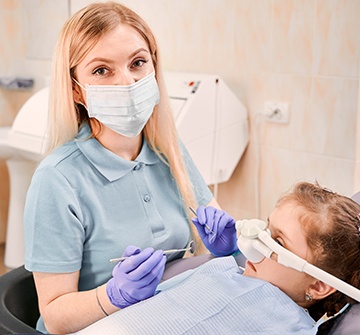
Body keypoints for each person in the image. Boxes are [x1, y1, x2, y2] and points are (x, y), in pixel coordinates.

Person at [23, 2, 238, 334]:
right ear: (77, 89)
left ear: (153, 67)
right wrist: (112, 296)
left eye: (138, 63)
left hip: (164, 315)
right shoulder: (58, 179)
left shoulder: (170, 149)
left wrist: (225, 249)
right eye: (102, 70)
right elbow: (54, 316)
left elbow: (213, 230)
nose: (126, 81)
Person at [68, 182, 360, 335]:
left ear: (320, 285)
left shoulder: (292, 329)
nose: (257, 240)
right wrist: (119, 295)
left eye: (277, 241)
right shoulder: (222, 268)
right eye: (266, 227)